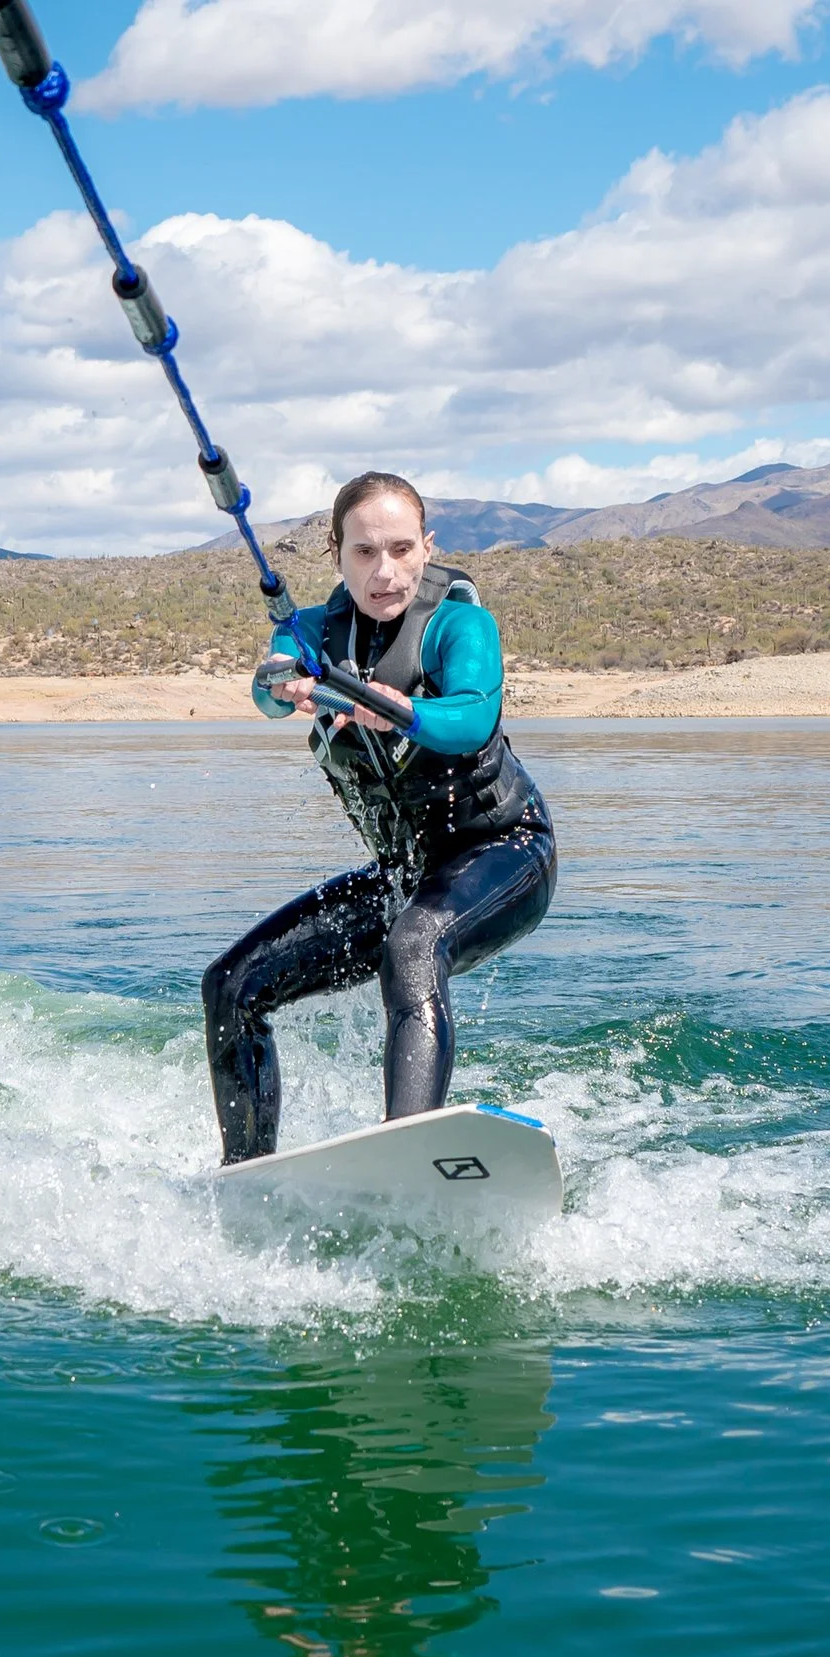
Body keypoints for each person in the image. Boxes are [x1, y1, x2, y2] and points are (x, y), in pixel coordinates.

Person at [203, 472, 557, 1165]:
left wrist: (389, 706)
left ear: (427, 547)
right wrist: (284, 682)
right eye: (364, 552)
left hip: (507, 851)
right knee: (232, 988)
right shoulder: (311, 632)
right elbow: (267, 689)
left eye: (400, 548)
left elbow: (472, 716)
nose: (385, 571)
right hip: (408, 876)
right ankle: (248, 1177)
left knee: (414, 946)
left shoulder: (460, 624)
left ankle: (409, 1161)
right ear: (336, 552)